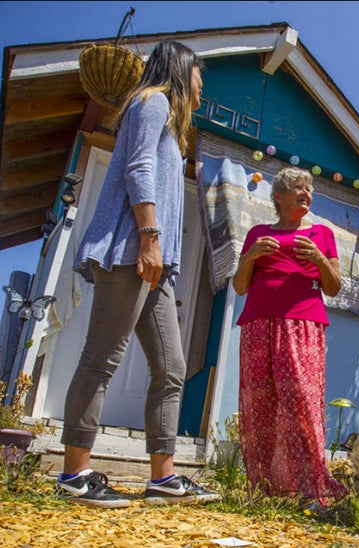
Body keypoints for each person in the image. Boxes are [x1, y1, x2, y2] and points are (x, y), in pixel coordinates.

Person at [55, 41, 220, 508]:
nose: (201, 90)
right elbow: (137, 168)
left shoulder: (171, 122)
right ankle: (74, 472)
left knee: (171, 369)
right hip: (132, 251)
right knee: (102, 359)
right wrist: (149, 235)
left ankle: (163, 478)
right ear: (181, 70)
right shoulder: (152, 102)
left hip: (158, 265)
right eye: (199, 79)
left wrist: (160, 250)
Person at [232, 166, 349, 509]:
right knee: (261, 404)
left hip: (303, 324)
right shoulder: (257, 233)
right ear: (279, 197)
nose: (306, 194)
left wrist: (319, 260)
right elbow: (240, 286)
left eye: (308, 189)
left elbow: (334, 287)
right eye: (297, 188)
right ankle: (266, 488)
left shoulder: (322, 235)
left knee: (302, 402)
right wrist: (251, 256)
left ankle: (313, 489)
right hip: (257, 324)